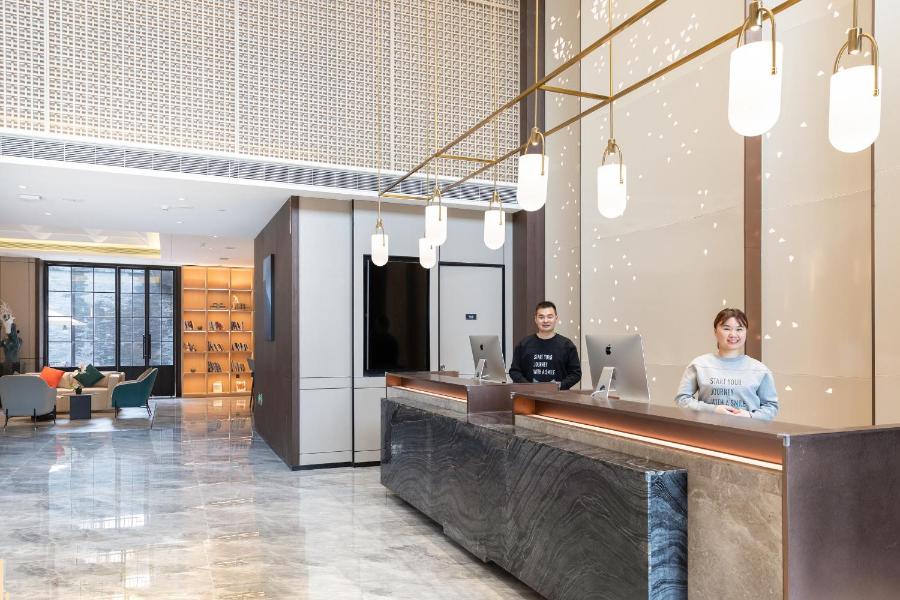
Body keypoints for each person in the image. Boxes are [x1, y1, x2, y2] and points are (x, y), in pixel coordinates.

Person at [675, 307, 778, 420]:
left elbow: (771, 407)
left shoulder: (760, 369)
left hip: (746, 430)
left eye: (739, 329)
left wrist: (749, 416)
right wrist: (713, 410)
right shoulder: (699, 365)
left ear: (746, 332)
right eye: (726, 328)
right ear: (715, 331)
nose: (733, 334)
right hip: (707, 429)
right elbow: (682, 400)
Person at [509, 301, 581, 390]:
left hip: (559, 396)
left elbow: (576, 373)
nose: (545, 321)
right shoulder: (523, 344)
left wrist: (560, 386)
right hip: (529, 395)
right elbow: (514, 371)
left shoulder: (567, 345)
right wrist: (528, 387)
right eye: (541, 317)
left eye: (550, 317)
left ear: (556, 318)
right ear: (535, 319)